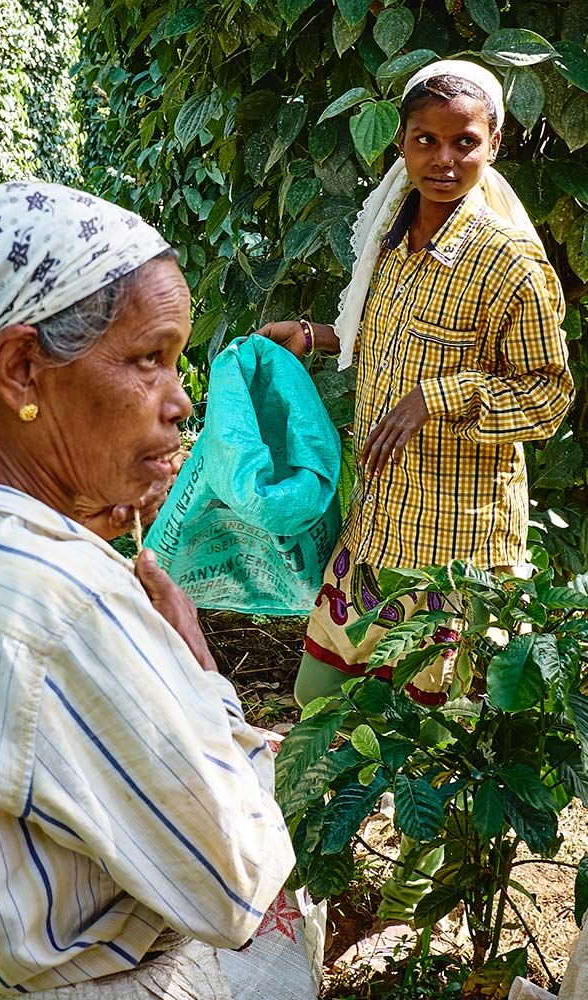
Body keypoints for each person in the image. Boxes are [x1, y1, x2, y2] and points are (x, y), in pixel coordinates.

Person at [0, 181, 296, 1000]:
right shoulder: (73, 606)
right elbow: (235, 886)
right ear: (21, 368)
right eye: (147, 358)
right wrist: (199, 680)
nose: (180, 400)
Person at [258, 60, 573, 923]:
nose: (443, 159)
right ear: (399, 143)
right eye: (425, 140)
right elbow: (377, 338)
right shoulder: (394, 236)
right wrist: (317, 337)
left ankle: (403, 917)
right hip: (378, 534)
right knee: (318, 707)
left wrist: (444, 397)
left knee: (430, 749)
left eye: (463, 142)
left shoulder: (508, 260)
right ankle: (305, 884)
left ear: (494, 143)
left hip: (455, 552)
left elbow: (549, 395)